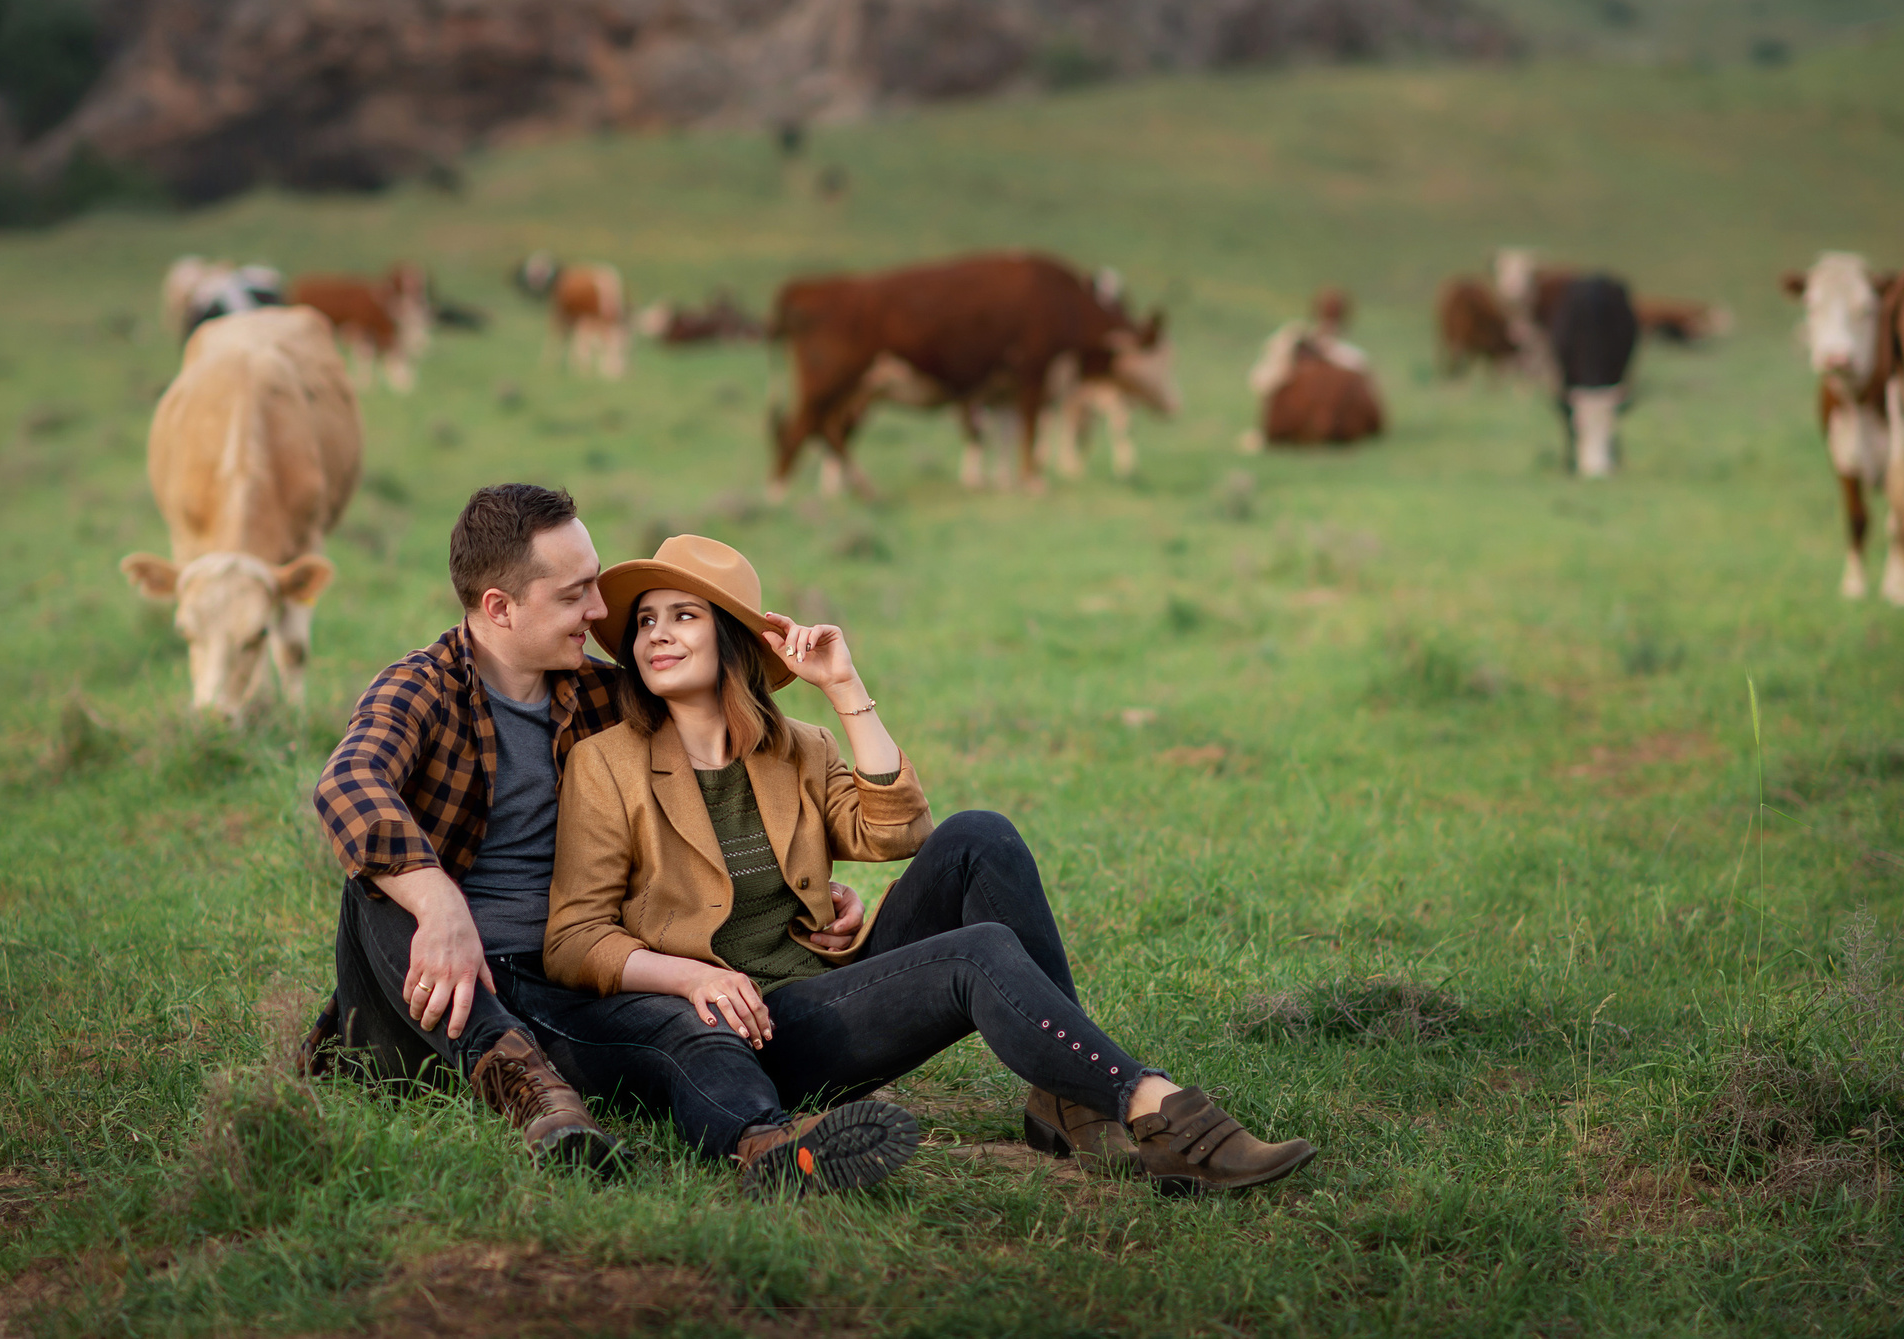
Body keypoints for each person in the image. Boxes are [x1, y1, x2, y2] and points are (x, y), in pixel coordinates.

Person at [545, 533, 1318, 1197]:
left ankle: (1065, 1097)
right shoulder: (606, 764)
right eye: (645, 620)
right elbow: (574, 936)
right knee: (977, 953)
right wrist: (690, 976)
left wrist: (844, 686)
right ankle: (1153, 1105)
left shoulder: (798, 748)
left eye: (684, 615)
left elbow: (898, 831)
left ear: (734, 638)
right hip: (751, 1032)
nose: (657, 635)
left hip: (830, 987)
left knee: (979, 834)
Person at [308, 485, 871, 1171]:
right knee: (377, 883)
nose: (602, 611)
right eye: (576, 595)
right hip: (429, 998)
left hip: (565, 983)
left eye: (595, 585)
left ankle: (771, 1149)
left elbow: (720, 778)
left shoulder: (608, 697)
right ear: (500, 607)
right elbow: (347, 783)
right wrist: (440, 903)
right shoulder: (421, 688)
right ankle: (536, 1097)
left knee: (696, 1028)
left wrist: (804, 885)